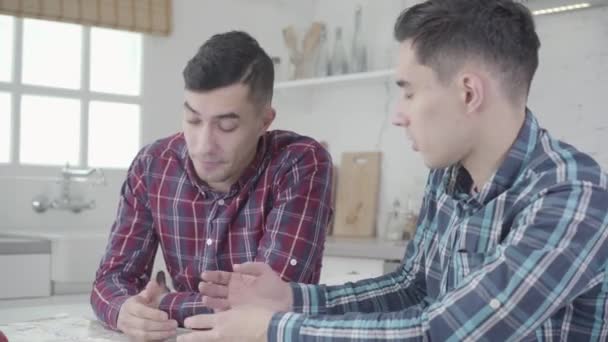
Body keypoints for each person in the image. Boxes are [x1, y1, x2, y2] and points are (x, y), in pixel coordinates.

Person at [181, 0, 608, 341]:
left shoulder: (572, 196)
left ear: (468, 92)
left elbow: (443, 331)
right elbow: (411, 288)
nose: (399, 116)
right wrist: (292, 297)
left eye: (408, 92)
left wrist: (271, 329)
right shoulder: (448, 176)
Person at [90, 31, 333, 341]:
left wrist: (164, 302)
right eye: (193, 120)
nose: (204, 146)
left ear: (264, 121)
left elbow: (268, 308)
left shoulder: (301, 163)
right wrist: (125, 309)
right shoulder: (152, 165)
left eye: (227, 126)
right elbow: (111, 280)